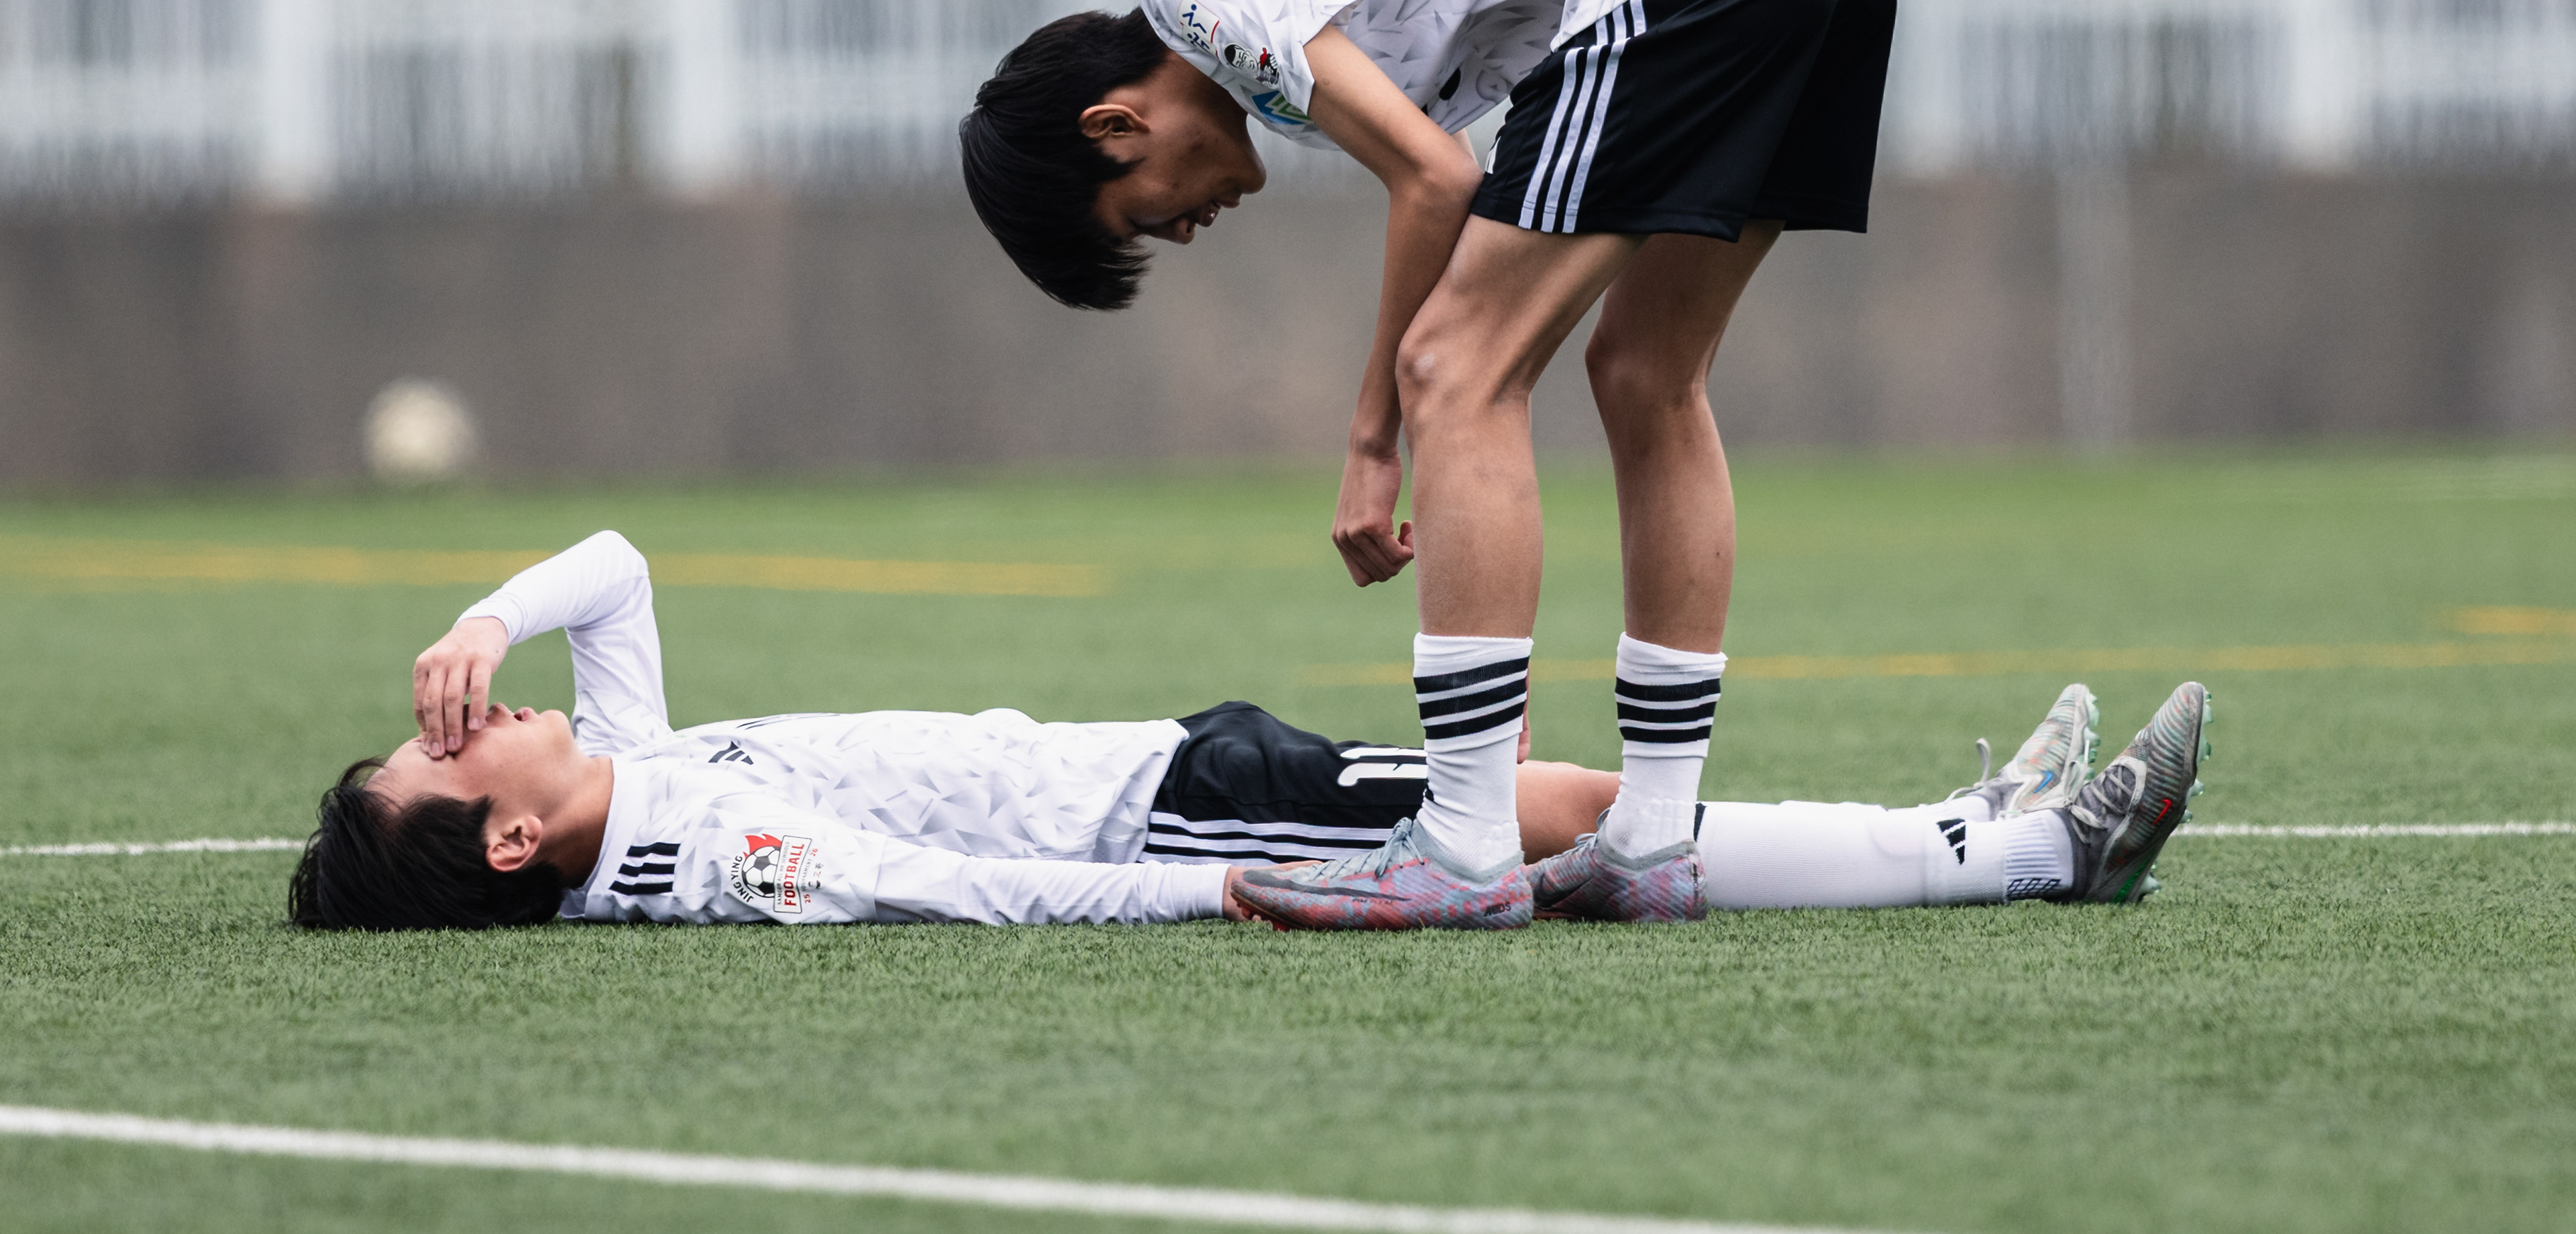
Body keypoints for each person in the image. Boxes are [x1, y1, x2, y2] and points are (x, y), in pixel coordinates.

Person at [957, 0, 1904, 927]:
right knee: (1645, 372)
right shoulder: (1300, 48)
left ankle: (1463, 842)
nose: (1183, 231)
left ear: (1113, 125)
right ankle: (1651, 842)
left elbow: (1436, 179)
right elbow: (1512, 138)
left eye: (1139, 221)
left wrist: (1375, 436)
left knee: (1454, 369)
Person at [288, 533, 2210, 933]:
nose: (468, 715)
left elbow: (614, 566)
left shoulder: (623, 770)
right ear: (511, 840)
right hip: (1174, 809)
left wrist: (482, 610)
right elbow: (971, 889)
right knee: (1582, 812)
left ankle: (1970, 832)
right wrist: (1232, 888)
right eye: (444, 749)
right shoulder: (707, 856)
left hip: (1175, 760)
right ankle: (2011, 847)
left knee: (1587, 832)